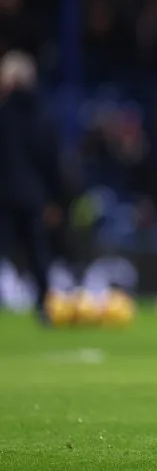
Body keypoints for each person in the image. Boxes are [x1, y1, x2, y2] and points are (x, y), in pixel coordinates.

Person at [0, 50, 62, 325]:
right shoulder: (43, 115)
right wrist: (53, 198)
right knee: (38, 254)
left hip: (4, 195)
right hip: (34, 196)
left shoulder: (3, 114)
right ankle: (43, 308)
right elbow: (51, 161)